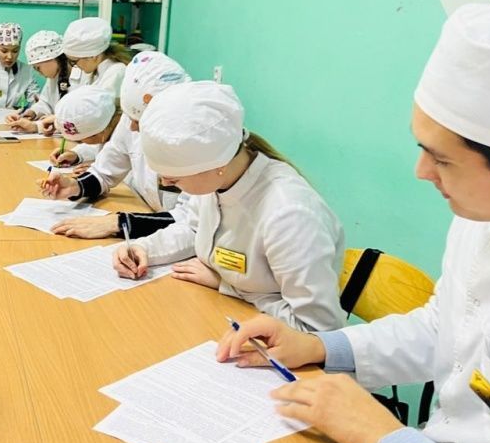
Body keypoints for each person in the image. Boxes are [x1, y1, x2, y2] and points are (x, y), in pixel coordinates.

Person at [218, 4, 490, 443]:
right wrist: (318, 347)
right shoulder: (484, 216)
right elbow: (443, 328)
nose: (421, 171)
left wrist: (390, 442)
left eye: (442, 159)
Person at [114, 81, 344, 332]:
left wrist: (229, 287)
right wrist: (144, 248)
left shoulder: (289, 214)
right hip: (221, 316)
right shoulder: (219, 180)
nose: (164, 183)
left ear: (217, 166)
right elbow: (193, 229)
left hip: (276, 342)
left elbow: (317, 329)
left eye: (174, 180)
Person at [44, 51, 193, 239]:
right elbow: (105, 171)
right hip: (149, 216)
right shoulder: (132, 117)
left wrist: (119, 223)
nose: (131, 127)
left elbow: (191, 221)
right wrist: (74, 186)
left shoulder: (196, 142)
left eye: (138, 121)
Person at [39, 87, 120, 196]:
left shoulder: (129, 132)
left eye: (81, 139)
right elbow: (100, 146)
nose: (82, 142)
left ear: (100, 132)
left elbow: (123, 166)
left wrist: (97, 168)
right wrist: (77, 155)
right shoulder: (107, 128)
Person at [6, 30, 75, 134]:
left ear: (52, 57)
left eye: (38, 68)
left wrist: (37, 126)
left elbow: (76, 118)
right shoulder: (53, 78)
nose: (39, 73)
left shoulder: (82, 77)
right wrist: (31, 113)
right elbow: (45, 103)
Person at [62, 17, 131, 96]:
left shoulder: (116, 73)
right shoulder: (95, 69)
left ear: (92, 56)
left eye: (73, 61)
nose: (75, 66)